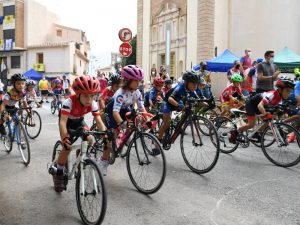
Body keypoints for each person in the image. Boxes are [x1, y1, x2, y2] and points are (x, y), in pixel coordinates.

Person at [53, 75, 107, 192]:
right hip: (67, 122)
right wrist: (65, 138)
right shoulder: (69, 102)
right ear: (78, 94)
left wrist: (105, 134)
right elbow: (62, 122)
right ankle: (59, 172)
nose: (89, 99)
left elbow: (99, 122)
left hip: (78, 121)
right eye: (86, 96)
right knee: (67, 148)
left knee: (91, 139)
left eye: (92, 96)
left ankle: (80, 158)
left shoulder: (93, 103)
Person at [99, 65, 146, 176]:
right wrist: (121, 124)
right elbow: (115, 113)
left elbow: (141, 108)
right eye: (135, 81)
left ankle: (125, 137)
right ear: (127, 80)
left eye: (139, 81)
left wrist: (148, 119)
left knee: (136, 119)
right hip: (112, 112)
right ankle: (103, 162)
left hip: (124, 109)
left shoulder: (137, 92)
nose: (138, 84)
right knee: (111, 137)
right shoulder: (120, 93)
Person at [229, 77, 295, 144]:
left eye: (290, 91)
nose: (289, 93)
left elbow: (277, 109)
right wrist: (266, 114)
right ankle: (235, 132)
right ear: (280, 89)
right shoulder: (272, 95)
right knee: (251, 124)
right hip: (252, 104)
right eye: (287, 91)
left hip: (261, 106)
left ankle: (256, 133)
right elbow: (260, 106)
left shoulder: (280, 98)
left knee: (268, 121)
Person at [157, 70, 200, 142]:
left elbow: (198, 99)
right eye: (193, 84)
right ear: (186, 82)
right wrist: (179, 105)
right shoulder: (180, 87)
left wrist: (205, 102)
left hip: (176, 102)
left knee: (186, 109)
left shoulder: (190, 89)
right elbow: (170, 99)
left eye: (196, 84)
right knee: (166, 124)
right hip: (167, 103)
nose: (195, 86)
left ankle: (177, 125)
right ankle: (157, 142)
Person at [284, 68, 300, 142]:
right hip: (290, 102)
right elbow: (297, 97)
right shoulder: (299, 83)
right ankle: (282, 122)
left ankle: (293, 135)